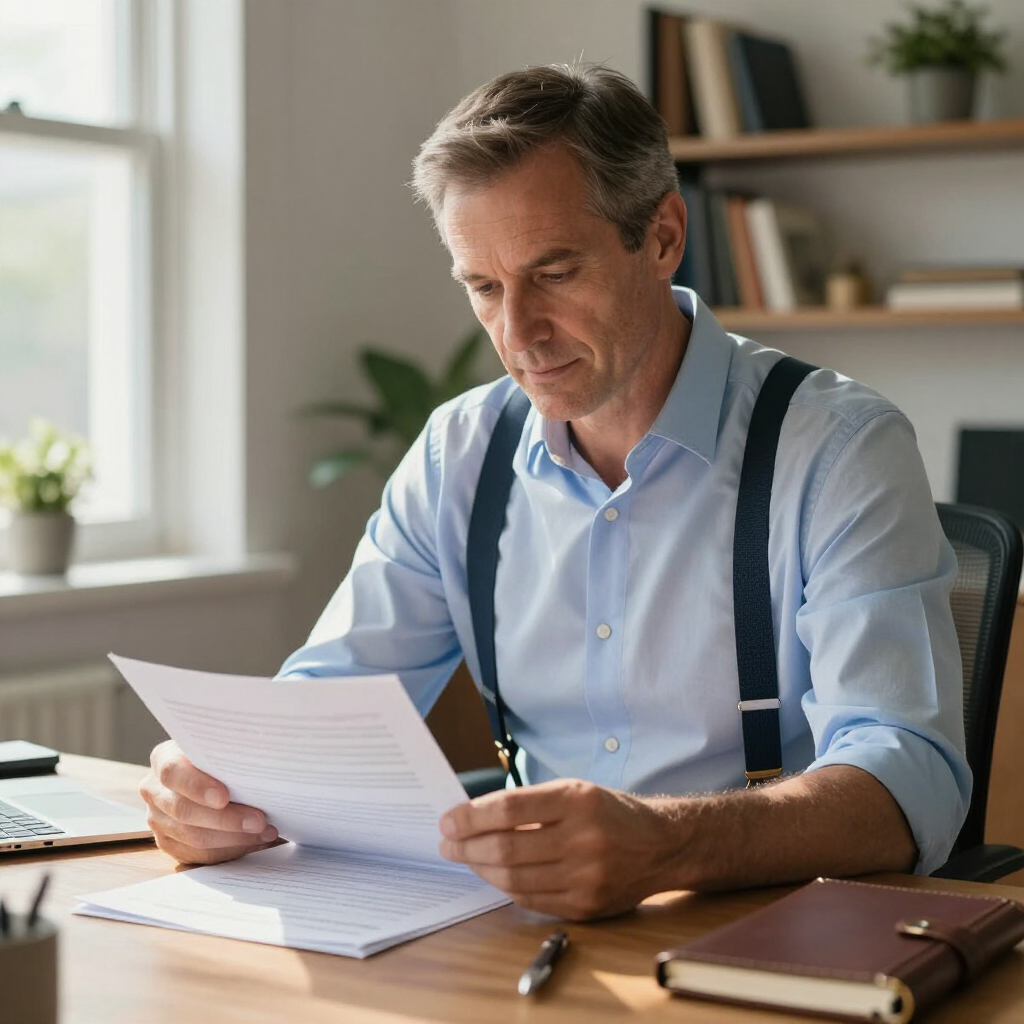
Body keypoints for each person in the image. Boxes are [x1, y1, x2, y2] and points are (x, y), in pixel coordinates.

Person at [140, 64, 969, 921]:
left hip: (767, 936)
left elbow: (909, 778)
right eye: (484, 288)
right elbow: (323, 713)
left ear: (661, 237)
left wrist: (670, 843)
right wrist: (217, 788)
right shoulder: (457, 454)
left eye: (556, 273)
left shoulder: (838, 449)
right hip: (525, 936)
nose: (518, 334)